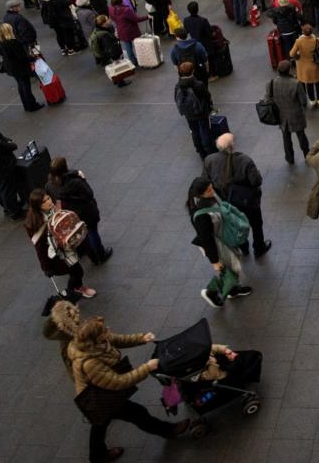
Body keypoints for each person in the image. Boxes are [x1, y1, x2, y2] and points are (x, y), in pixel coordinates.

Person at [66, 316, 197, 462]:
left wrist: (141, 338)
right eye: (104, 331)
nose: (108, 331)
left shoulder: (97, 342)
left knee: (100, 423)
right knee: (137, 413)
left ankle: (97, 456)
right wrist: (147, 367)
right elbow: (119, 382)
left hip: (99, 397)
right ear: (95, 339)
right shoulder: (90, 364)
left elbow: (118, 340)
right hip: (101, 399)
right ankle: (169, 430)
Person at [186, 176, 252, 308]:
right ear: (200, 194)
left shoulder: (203, 200)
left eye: (211, 188)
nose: (212, 191)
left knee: (230, 267)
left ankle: (232, 291)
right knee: (231, 267)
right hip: (218, 244)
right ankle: (211, 291)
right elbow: (206, 240)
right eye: (209, 190)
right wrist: (214, 261)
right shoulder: (201, 216)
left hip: (222, 239)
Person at [25, 189, 94, 300]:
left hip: (69, 245)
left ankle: (74, 291)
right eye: (44, 201)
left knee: (76, 271)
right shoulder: (36, 224)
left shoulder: (57, 208)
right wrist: (46, 268)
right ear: (38, 206)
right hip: (59, 254)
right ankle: (72, 294)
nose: (49, 201)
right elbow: (40, 248)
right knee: (77, 271)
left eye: (48, 198)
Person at [46, 156, 112, 265]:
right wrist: (83, 178)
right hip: (85, 212)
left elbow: (53, 199)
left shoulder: (50, 184)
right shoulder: (75, 182)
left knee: (81, 234)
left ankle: (91, 256)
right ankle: (100, 255)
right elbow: (89, 194)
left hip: (70, 216)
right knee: (92, 232)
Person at [174, 61, 215, 159]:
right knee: (204, 130)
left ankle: (200, 150)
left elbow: (176, 98)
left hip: (188, 113)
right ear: (193, 70)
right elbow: (207, 96)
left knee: (194, 131)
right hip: (201, 111)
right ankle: (209, 150)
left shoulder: (178, 85)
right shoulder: (198, 84)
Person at [290, 23, 319, 107]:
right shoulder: (316, 40)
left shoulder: (299, 41)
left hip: (304, 67)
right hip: (316, 65)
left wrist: (298, 56)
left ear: (303, 32)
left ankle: (312, 101)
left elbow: (291, 54)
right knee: (318, 83)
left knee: (309, 84)